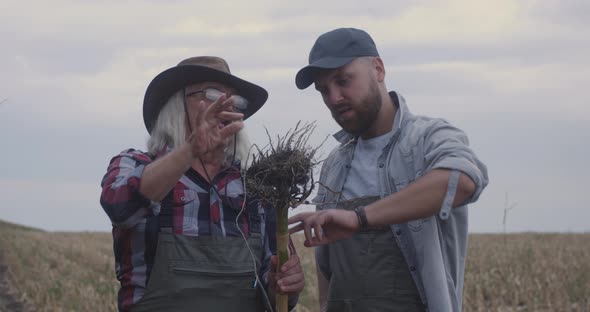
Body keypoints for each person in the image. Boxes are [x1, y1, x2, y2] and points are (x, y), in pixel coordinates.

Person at [288, 28, 489, 312]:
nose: (333, 98)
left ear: (378, 69)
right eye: (323, 90)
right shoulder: (334, 164)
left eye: (343, 81)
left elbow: (462, 179)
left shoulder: (427, 138)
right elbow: (328, 271)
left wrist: (360, 218)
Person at [100, 56, 304, 312]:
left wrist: (284, 286)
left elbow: (273, 293)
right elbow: (120, 208)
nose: (227, 105)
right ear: (176, 104)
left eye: (236, 100)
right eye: (213, 93)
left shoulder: (256, 187)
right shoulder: (135, 164)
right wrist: (190, 150)